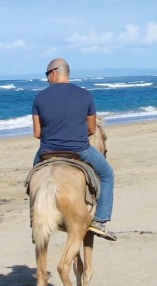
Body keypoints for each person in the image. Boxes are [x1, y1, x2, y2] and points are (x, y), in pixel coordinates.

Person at [32, 58, 117, 242]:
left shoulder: (40, 97)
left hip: (47, 150)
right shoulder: (85, 95)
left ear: (54, 73)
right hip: (79, 150)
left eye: (47, 75)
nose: (47, 79)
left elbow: (37, 133)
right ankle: (100, 221)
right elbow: (92, 129)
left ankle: (34, 218)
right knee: (108, 175)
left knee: (32, 177)